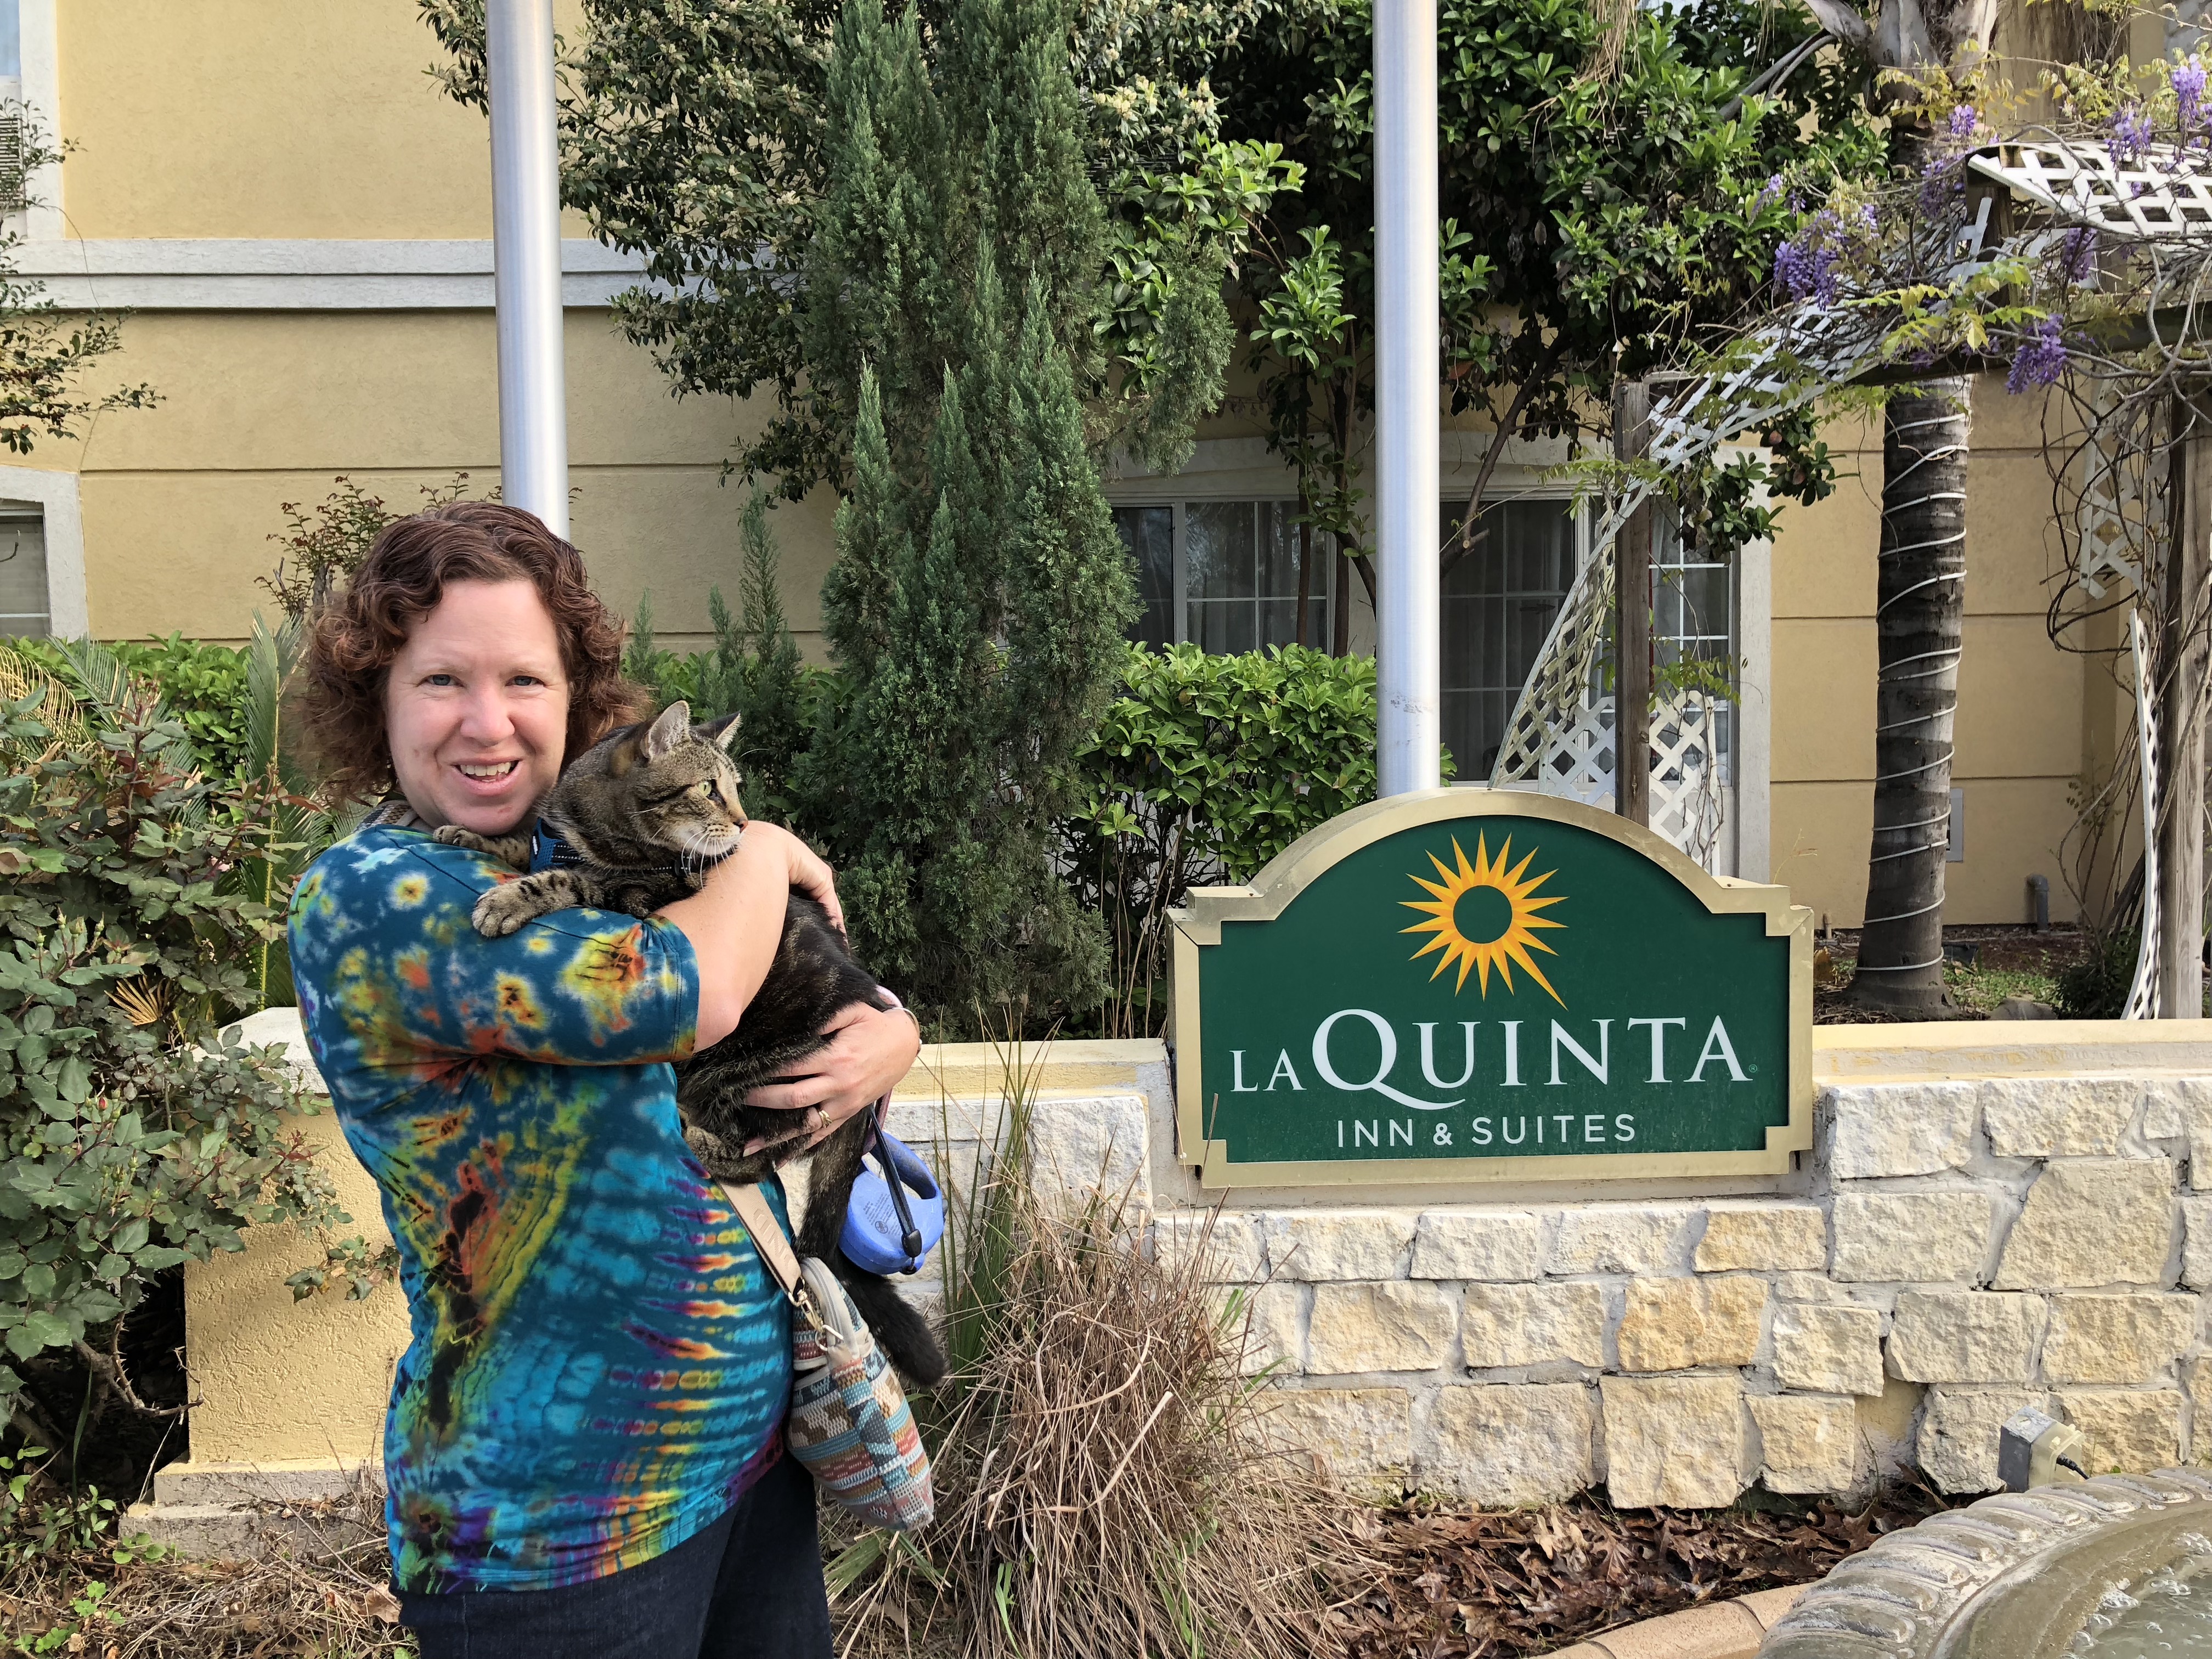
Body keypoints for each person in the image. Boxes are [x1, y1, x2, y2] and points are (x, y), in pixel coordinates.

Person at [286, 503, 918, 1659]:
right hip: (554, 1536)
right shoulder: (378, 895)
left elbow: (781, 980)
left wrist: (892, 1031)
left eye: (525, 680)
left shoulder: (567, 856)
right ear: (378, 698)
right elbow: (686, 989)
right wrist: (764, 845)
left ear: (575, 700)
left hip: (748, 1467)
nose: (489, 723)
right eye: (442, 681)